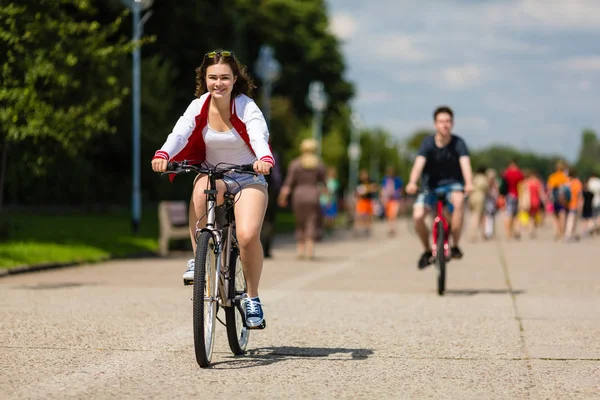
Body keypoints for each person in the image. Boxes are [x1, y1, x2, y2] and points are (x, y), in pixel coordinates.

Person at [151, 49, 273, 329]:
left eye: (225, 78)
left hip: (247, 178)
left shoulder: (245, 106)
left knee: (246, 235)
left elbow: (257, 133)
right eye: (213, 77)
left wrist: (264, 159)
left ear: (234, 79)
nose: (219, 83)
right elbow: (179, 132)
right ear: (204, 79)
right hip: (213, 174)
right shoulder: (199, 106)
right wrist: (163, 154)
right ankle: (199, 258)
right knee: (199, 189)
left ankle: (252, 298)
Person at [405, 106, 474, 269]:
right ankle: (427, 250)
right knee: (418, 215)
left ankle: (455, 245)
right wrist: (412, 182)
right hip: (430, 187)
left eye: (448, 121)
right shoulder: (428, 143)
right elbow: (418, 164)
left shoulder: (459, 143)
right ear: (435, 124)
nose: (445, 125)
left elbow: (465, 164)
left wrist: (469, 183)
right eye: (441, 121)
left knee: (458, 203)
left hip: (453, 185)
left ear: (453, 123)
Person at [277, 138, 326, 259]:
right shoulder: (319, 165)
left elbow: (288, 183)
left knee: (300, 222)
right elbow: (324, 184)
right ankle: (310, 251)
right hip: (313, 195)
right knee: (312, 221)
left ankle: (300, 250)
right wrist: (328, 198)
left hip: (298, 196)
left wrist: (282, 197)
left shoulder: (295, 164)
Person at [261, 151, 282, 258]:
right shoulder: (272, 155)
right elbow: (276, 177)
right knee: (268, 221)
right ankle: (265, 248)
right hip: (268, 191)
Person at [501, 159, 524, 240]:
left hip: (508, 195)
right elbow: (522, 182)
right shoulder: (518, 173)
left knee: (509, 214)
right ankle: (515, 231)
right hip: (516, 195)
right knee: (515, 215)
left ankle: (508, 233)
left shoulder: (506, 173)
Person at [546, 160, 569, 240]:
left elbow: (549, 188)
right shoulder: (565, 177)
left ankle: (557, 230)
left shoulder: (552, 177)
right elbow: (568, 189)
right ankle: (562, 231)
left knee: (555, 216)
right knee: (562, 215)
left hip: (554, 199)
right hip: (563, 199)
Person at [380, 166, 404, 237]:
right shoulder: (385, 179)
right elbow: (382, 189)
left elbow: (401, 189)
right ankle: (390, 228)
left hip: (395, 199)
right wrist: (382, 197)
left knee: (393, 214)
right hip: (387, 200)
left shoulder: (398, 179)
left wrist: (400, 197)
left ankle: (393, 228)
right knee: (389, 215)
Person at [467, 166, 489, 242]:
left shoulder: (474, 177)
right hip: (480, 197)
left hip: (472, 197)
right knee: (476, 216)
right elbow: (486, 188)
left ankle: (483, 234)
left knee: (478, 216)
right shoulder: (483, 178)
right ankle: (473, 234)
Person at [354, 169, 378, 236]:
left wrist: (367, 189)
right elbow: (357, 193)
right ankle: (357, 229)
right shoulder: (359, 183)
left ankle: (368, 228)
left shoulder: (371, 181)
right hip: (362, 201)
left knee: (369, 216)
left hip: (369, 200)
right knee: (359, 215)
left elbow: (375, 187)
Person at [319, 166, 340, 235]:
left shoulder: (335, 182)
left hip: (330, 201)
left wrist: (325, 191)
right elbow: (322, 190)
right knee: (325, 216)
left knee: (330, 217)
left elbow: (330, 191)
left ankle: (328, 230)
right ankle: (324, 229)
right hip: (324, 201)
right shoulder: (326, 181)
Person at [564, 168, 583, 242]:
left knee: (568, 219)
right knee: (572, 219)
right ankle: (568, 234)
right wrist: (580, 204)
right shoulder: (577, 182)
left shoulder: (566, 181)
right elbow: (579, 195)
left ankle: (570, 233)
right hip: (574, 203)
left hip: (565, 203)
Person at [483, 168, 499, 239]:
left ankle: (490, 232)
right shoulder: (486, 183)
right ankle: (487, 232)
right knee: (487, 217)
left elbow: (497, 193)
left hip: (492, 202)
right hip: (487, 202)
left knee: (491, 217)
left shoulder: (495, 183)